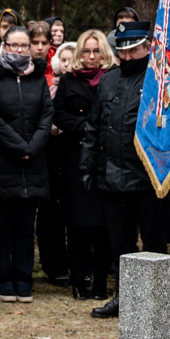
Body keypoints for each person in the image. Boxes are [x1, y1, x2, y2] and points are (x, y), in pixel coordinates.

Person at [80, 21, 167, 318]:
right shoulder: (108, 80)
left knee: (154, 243)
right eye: (123, 52)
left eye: (134, 51)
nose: (127, 57)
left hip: (149, 176)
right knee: (120, 243)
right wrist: (87, 167)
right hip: (112, 176)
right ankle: (125, 299)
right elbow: (94, 127)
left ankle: (157, 302)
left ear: (147, 47)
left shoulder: (160, 78)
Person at [0, 26, 52, 302]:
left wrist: (32, 147)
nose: (20, 50)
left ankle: (23, 280)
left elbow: (46, 114)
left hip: (32, 164)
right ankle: (2, 281)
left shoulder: (38, 79)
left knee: (25, 229)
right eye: (15, 46)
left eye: (25, 46)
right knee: (0, 228)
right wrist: (19, 146)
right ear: (4, 46)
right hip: (3, 162)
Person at [54, 29, 113, 300]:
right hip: (75, 156)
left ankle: (100, 283)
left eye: (96, 50)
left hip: (105, 157)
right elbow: (58, 113)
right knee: (77, 224)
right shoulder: (69, 80)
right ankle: (78, 282)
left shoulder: (113, 78)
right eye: (86, 51)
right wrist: (86, 127)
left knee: (103, 225)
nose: (91, 56)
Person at [26, 20, 68, 287]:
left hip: (54, 147)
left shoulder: (57, 69)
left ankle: (56, 265)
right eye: (35, 43)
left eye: (44, 43)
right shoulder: (22, 70)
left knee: (53, 208)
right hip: (28, 146)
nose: (40, 48)